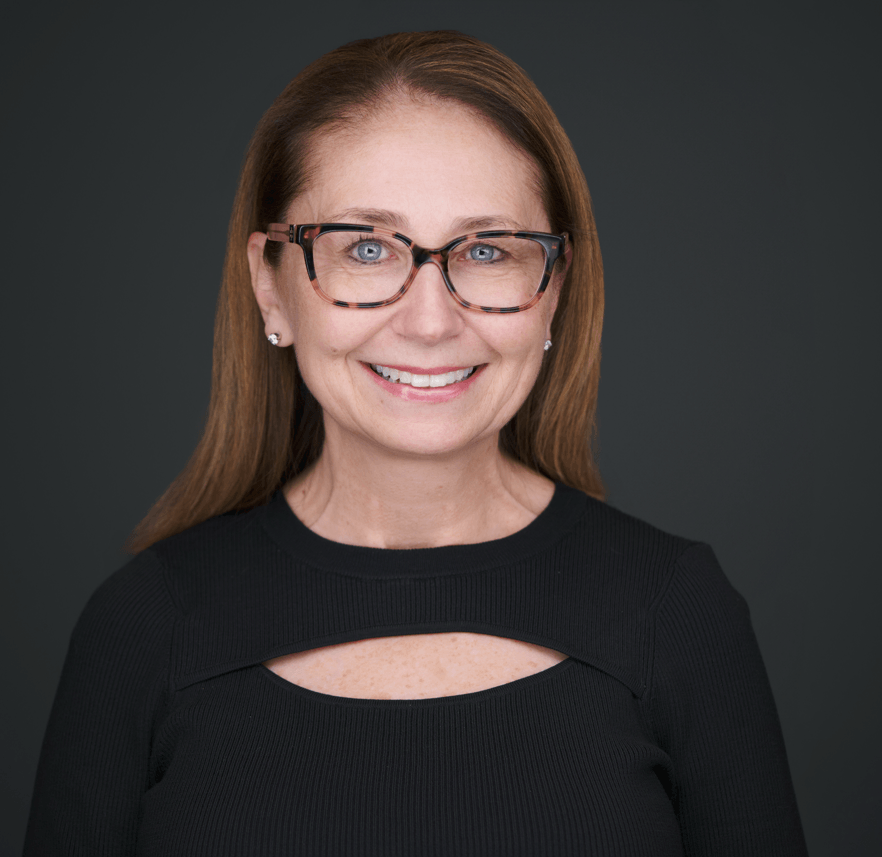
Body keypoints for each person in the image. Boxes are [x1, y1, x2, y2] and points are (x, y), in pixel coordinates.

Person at [24, 31, 808, 856]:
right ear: (271, 285)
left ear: (555, 291)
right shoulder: (143, 627)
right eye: (366, 248)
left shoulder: (677, 612)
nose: (431, 321)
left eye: (486, 250)